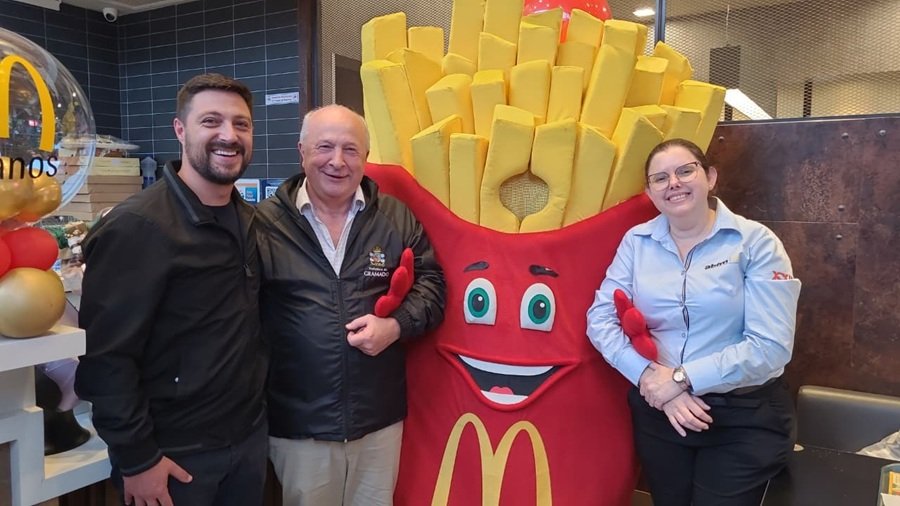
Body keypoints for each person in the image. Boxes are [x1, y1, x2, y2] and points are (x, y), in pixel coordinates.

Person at [75, 73, 267, 506]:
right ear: (180, 130)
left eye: (241, 124)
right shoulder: (137, 228)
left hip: (246, 443)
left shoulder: (249, 221)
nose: (228, 136)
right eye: (211, 121)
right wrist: (138, 459)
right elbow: (106, 359)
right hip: (173, 457)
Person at [586, 138, 802, 506]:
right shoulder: (636, 243)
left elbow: (771, 348)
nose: (674, 183)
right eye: (660, 178)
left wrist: (681, 379)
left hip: (743, 418)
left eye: (685, 170)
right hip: (661, 412)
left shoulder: (755, 243)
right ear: (649, 192)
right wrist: (650, 379)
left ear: (710, 176)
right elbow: (599, 319)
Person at [255, 104, 446, 505]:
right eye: (325, 147)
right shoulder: (262, 225)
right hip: (298, 426)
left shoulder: (394, 217)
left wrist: (395, 326)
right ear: (302, 151)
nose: (337, 162)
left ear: (366, 157)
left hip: (377, 421)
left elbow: (433, 285)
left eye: (351, 149)